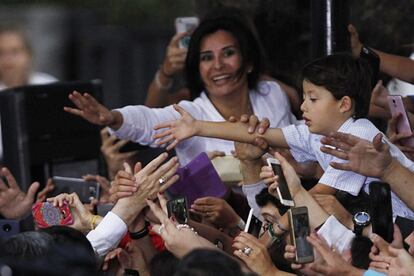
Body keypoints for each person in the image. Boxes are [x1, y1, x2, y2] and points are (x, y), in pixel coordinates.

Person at [154, 53, 414, 220]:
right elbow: (257, 132)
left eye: (313, 99)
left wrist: (276, 217)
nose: (303, 107)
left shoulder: (358, 135)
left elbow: (319, 196)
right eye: (304, 98)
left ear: (344, 104)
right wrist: (198, 127)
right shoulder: (314, 132)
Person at [64, 8, 296, 167]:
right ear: (196, 69)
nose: (218, 65)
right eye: (206, 57)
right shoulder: (190, 112)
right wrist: (114, 118)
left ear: (248, 62)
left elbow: (301, 142)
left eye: (228, 53)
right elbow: (149, 119)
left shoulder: (272, 93)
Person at [0, 24, 57, 90]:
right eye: (1, 53)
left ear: (28, 54)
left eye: (14, 52)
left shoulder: (48, 85)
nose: (7, 59)